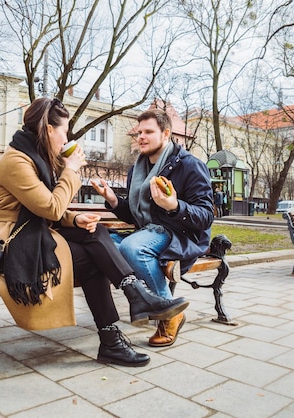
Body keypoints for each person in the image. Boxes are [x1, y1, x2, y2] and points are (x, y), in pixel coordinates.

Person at [0, 97, 188, 368]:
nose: (66, 138)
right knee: (94, 260)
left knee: (95, 233)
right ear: (48, 130)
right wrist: (71, 170)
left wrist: (76, 219)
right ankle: (125, 318)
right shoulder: (16, 162)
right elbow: (51, 208)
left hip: (30, 232)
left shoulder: (35, 157)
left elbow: (44, 207)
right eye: (64, 131)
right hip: (7, 241)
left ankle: (134, 304)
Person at [91, 109, 213, 347]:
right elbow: (137, 217)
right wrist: (113, 199)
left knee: (132, 247)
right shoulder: (137, 169)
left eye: (148, 132)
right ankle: (140, 305)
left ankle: (170, 313)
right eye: (139, 133)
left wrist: (174, 205)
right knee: (101, 244)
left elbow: (206, 216)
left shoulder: (189, 165)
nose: (141, 137)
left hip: (180, 234)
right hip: (148, 231)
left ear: (165, 134)